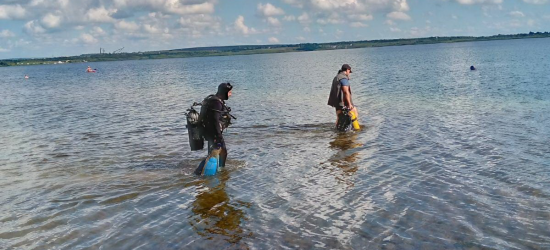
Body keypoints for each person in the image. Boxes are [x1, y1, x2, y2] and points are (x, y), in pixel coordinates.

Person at [199, 82, 233, 167]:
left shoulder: (215, 100)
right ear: (224, 92)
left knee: (215, 152)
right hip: (213, 132)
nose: (231, 94)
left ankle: (218, 171)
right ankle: (201, 172)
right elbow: (215, 120)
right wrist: (218, 136)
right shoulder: (216, 103)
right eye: (229, 92)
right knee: (220, 152)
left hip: (211, 131)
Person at [327, 64, 359, 131]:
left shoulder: (336, 77)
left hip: (337, 103)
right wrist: (349, 104)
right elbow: (345, 92)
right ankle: (355, 130)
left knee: (339, 117)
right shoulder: (343, 79)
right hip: (343, 102)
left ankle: (338, 132)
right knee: (354, 112)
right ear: (347, 70)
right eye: (349, 72)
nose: (349, 74)